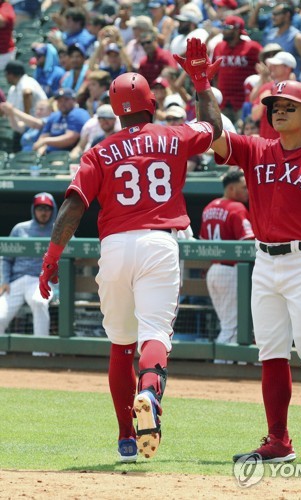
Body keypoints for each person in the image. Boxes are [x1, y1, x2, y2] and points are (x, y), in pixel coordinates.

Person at [176, 39, 301, 463]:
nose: (279, 109)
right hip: (265, 261)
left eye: (289, 104)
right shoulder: (256, 149)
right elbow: (214, 135)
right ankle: (278, 442)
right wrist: (202, 88)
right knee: (270, 352)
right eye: (274, 104)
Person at [38, 70, 222, 463]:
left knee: (121, 345)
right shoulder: (173, 135)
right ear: (150, 105)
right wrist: (201, 83)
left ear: (116, 111)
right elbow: (214, 126)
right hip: (159, 242)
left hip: (115, 246)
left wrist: (52, 258)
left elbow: (72, 206)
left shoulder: (99, 150)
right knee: (154, 334)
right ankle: (150, 391)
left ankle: (125, 438)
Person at [199, 169, 254, 350]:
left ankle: (226, 362)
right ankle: (222, 364)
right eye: (243, 187)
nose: (247, 191)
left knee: (228, 324)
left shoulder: (209, 207)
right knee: (232, 326)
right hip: (231, 271)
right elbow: (249, 242)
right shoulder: (237, 208)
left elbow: (202, 243)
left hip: (213, 272)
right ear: (231, 189)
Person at [0, 193, 57, 347]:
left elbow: (76, 252)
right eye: (40, 208)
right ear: (34, 209)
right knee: (0, 315)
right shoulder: (20, 228)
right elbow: (6, 258)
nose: (43, 212)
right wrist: (4, 280)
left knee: (39, 302)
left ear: (53, 210)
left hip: (41, 281)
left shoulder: (59, 229)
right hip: (16, 281)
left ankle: (41, 353)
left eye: (47, 208)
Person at [33, 87, 90, 156]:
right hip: (49, 155)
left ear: (74, 100)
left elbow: (70, 139)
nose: (62, 103)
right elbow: (43, 137)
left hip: (68, 155)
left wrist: (46, 141)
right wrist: (41, 149)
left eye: (66, 100)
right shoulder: (54, 116)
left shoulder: (79, 114)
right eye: (59, 101)